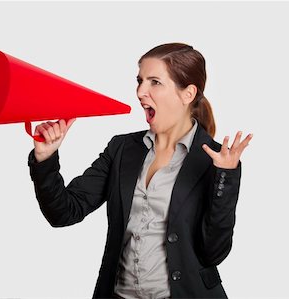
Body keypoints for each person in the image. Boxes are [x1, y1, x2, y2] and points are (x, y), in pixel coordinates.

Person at [27, 43, 253, 299]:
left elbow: (214, 252)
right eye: (140, 80)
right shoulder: (122, 149)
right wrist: (45, 159)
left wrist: (226, 175)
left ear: (187, 93)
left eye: (155, 82)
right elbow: (64, 212)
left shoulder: (216, 159)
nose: (140, 91)